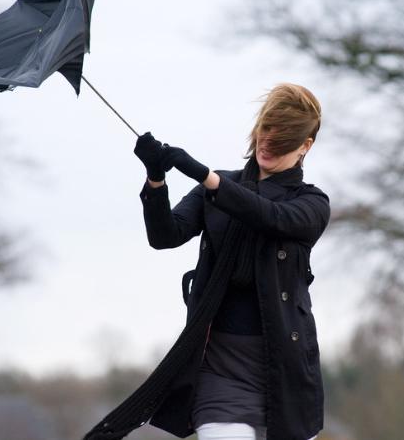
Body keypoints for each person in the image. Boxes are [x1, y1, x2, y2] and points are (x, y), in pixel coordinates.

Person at [132, 83, 329, 440]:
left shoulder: (311, 204)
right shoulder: (217, 189)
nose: (267, 144)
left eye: (282, 139)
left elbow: (271, 217)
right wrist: (156, 180)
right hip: (220, 371)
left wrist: (205, 176)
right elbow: (165, 236)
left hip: (285, 374)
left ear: (305, 146)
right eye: (265, 132)